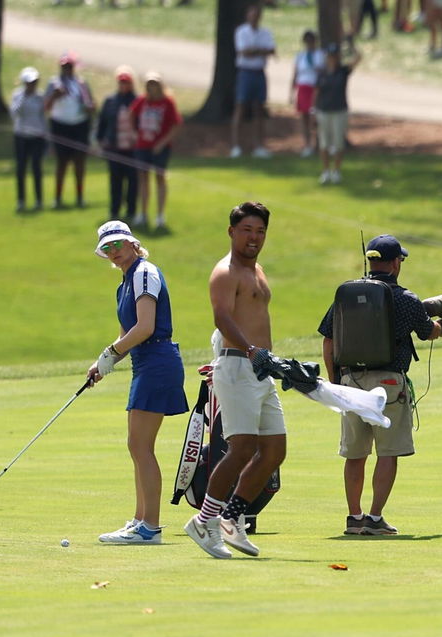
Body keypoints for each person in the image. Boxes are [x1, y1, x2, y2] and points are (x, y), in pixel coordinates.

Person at [317, 235, 442, 535]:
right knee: (387, 452)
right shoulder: (405, 298)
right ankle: (375, 518)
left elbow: (328, 339)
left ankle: (354, 517)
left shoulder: (346, 295)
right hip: (389, 382)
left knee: (355, 453)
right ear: (394, 263)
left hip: (350, 382)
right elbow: (429, 332)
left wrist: (337, 380)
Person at [184, 202, 283, 560]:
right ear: (231, 232)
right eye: (247, 230)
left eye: (260, 231)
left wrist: (269, 359)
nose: (254, 238)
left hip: (260, 368)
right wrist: (253, 350)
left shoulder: (258, 270)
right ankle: (204, 521)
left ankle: (232, 517)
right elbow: (223, 318)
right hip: (238, 365)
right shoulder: (225, 272)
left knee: (274, 450)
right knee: (241, 447)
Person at [88, 222, 189, 544]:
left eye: (117, 244)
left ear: (133, 243)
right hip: (144, 363)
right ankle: (139, 521)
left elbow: (145, 327)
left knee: (141, 446)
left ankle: (150, 528)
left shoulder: (145, 273)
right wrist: (104, 363)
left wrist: (112, 353)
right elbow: (125, 334)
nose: (113, 252)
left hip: (158, 361)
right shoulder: (124, 284)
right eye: (106, 248)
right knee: (137, 445)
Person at [130, 72, 181, 231]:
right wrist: (135, 134)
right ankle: (143, 213)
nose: (152, 88)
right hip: (142, 145)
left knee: (160, 178)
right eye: (149, 84)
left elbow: (176, 124)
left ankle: (160, 215)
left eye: (154, 84)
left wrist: (163, 142)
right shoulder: (142, 101)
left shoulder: (167, 102)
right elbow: (131, 114)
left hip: (160, 147)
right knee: (143, 179)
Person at [44, 51, 95, 208]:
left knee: (79, 162)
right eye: (64, 66)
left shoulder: (81, 84)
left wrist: (88, 107)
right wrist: (54, 96)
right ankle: (58, 197)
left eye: (69, 66)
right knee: (61, 162)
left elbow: (91, 106)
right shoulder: (54, 84)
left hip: (79, 125)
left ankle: (79, 196)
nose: (67, 70)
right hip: (60, 125)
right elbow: (45, 107)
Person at [231, 4, 276, 159]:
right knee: (241, 107)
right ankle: (236, 146)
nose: (254, 17)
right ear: (247, 16)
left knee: (259, 108)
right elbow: (244, 51)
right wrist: (260, 51)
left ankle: (259, 146)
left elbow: (271, 50)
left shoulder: (265, 32)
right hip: (245, 72)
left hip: (259, 72)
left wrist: (255, 51)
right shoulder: (241, 31)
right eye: (252, 14)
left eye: (257, 15)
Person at [96, 66, 139, 222]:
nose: (123, 85)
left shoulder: (137, 100)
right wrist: (100, 141)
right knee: (115, 181)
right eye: (121, 82)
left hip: (132, 149)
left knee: (133, 182)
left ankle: (131, 211)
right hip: (114, 148)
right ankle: (114, 211)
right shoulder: (110, 101)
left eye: (126, 82)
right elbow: (102, 122)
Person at [315, 44, 361, 185]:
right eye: (330, 56)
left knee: (338, 143)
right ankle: (325, 171)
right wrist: (313, 110)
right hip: (323, 110)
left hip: (339, 110)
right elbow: (316, 92)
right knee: (324, 143)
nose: (332, 59)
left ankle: (336, 171)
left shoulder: (343, 71)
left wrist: (351, 45)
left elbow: (358, 58)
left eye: (335, 56)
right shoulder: (322, 73)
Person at [10, 66, 47, 212]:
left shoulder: (40, 96)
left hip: (37, 136)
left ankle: (38, 200)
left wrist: (46, 134)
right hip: (21, 136)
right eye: (30, 83)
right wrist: (24, 97)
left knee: (37, 168)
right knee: (21, 169)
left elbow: (42, 116)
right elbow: (15, 113)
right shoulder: (18, 95)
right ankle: (21, 200)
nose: (32, 86)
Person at [290, 31, 323, 156]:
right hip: (303, 87)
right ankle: (307, 145)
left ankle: (319, 143)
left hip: (315, 88)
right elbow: (295, 73)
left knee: (316, 117)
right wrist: (291, 92)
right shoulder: (300, 56)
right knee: (304, 117)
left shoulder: (320, 55)